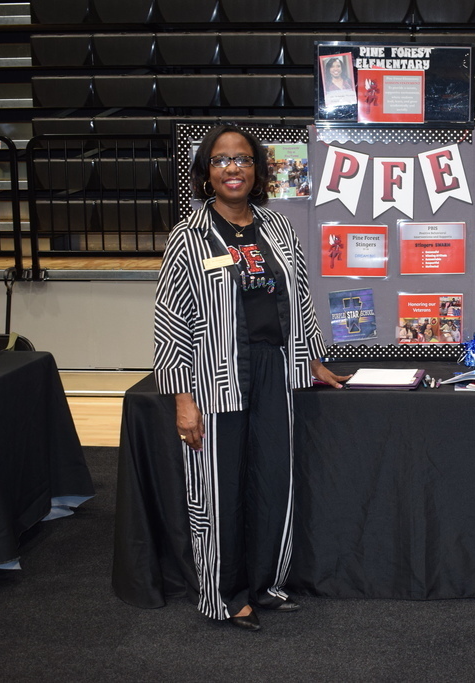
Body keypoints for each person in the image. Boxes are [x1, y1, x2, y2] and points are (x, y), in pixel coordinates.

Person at [154, 124, 350, 632]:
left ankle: (265, 584)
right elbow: (170, 321)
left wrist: (311, 359)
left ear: (258, 171)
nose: (233, 168)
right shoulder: (188, 236)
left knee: (272, 481)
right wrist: (182, 398)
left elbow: (299, 298)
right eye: (221, 160)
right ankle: (225, 594)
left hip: (274, 372)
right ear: (206, 173)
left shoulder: (278, 227)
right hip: (216, 375)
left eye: (242, 159)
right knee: (220, 490)